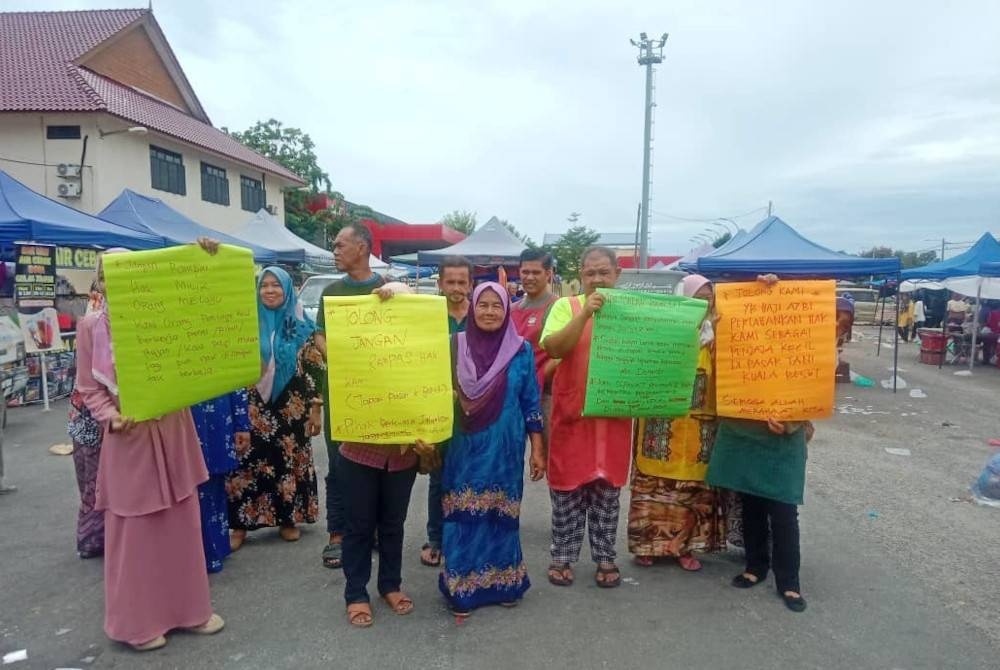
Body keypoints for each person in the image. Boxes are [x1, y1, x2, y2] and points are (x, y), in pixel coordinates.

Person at [75, 243, 223, 651]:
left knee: (182, 522)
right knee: (135, 530)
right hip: (129, 438)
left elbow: (208, 310)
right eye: (107, 274)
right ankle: (137, 624)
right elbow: (89, 388)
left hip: (173, 430)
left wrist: (203, 258)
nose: (114, 282)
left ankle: (190, 612)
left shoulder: (166, 315)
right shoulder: (91, 328)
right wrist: (111, 417)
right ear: (100, 281)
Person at [705, 275, 816, 613]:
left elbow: (812, 382)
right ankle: (755, 566)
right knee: (750, 503)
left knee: (783, 510)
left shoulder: (799, 339)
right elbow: (716, 370)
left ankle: (789, 581)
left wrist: (793, 422)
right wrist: (722, 324)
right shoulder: (729, 332)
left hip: (783, 437)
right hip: (743, 429)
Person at [439, 282, 546, 616]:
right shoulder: (452, 346)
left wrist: (538, 448)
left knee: (501, 515)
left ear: (506, 310)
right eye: (482, 305)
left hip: (506, 451)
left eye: (496, 306)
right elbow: (432, 391)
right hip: (463, 449)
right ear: (472, 308)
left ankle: (504, 583)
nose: (489, 312)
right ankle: (462, 588)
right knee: (464, 516)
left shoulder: (521, 351)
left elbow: (531, 402)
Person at [332, 281, 429, 628]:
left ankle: (390, 584)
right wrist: (381, 298)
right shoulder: (362, 343)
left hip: (401, 457)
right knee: (358, 527)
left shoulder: (423, 350)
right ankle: (356, 593)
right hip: (360, 452)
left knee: (393, 525)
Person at [540, 246, 633, 589]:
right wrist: (585, 316)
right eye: (590, 273)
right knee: (566, 493)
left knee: (607, 494)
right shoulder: (566, 307)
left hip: (613, 421)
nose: (596, 279)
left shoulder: (631, 312)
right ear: (580, 275)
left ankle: (605, 558)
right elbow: (554, 349)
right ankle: (563, 557)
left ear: (617, 274)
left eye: (603, 273)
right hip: (572, 418)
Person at [628, 274, 727, 571]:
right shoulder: (663, 328)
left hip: (701, 427)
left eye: (709, 296)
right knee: (653, 488)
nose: (704, 301)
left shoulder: (720, 331)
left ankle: (686, 547)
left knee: (694, 490)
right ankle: (647, 545)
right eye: (698, 295)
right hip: (661, 424)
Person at [229, 267, 323, 550]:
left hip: (291, 406)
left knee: (287, 459)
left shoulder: (301, 324)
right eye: (264, 285)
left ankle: (288, 518)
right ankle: (240, 523)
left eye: (276, 286)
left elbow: (315, 367)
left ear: (287, 289)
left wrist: (315, 407)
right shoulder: (245, 322)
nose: (269, 291)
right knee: (247, 460)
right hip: (252, 404)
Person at [314, 223, 386, 569]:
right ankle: (338, 534)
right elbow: (320, 337)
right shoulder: (331, 292)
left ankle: (369, 529)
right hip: (343, 393)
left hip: (380, 394)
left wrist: (397, 293)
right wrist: (337, 357)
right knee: (340, 462)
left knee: (376, 462)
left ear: (362, 247)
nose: (335, 250)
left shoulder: (387, 289)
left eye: (340, 244)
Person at [420, 255, 473, 568]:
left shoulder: (481, 314)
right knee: (438, 475)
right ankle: (436, 538)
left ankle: (465, 535)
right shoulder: (426, 315)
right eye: (450, 282)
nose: (456, 288)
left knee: (471, 473)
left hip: (474, 409)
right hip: (435, 405)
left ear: (470, 284)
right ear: (439, 283)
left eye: (462, 282)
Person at [66, 282, 108, 558]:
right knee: (93, 483)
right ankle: (92, 539)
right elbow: (85, 379)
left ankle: (101, 537)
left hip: (104, 416)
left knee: (102, 483)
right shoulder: (92, 323)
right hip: (88, 417)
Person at [191, 390, 249, 572]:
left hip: (216, 411)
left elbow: (234, 371)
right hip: (180, 413)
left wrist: (242, 424)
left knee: (213, 484)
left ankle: (213, 550)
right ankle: (191, 554)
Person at [510, 248, 559, 448]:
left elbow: (562, 355)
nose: (529, 277)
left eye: (536, 272)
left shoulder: (560, 307)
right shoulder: (512, 309)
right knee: (509, 455)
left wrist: (538, 378)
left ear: (549, 274)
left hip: (546, 395)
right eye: (525, 272)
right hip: (514, 395)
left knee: (552, 459)